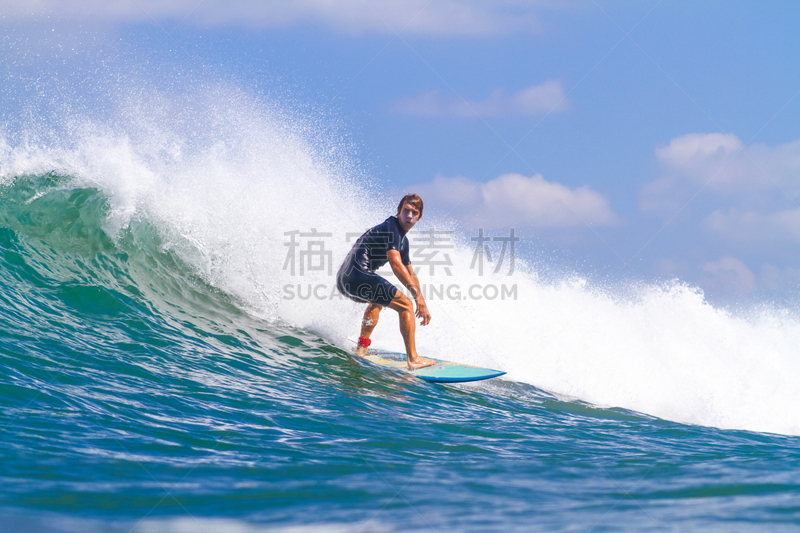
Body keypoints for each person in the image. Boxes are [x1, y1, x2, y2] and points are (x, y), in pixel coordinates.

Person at [336, 193, 435, 370]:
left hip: (344, 280)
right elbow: (396, 265)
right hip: (357, 276)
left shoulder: (403, 242)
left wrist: (423, 301)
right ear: (398, 211)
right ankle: (413, 358)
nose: (409, 216)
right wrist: (416, 298)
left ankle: (361, 348)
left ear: (419, 217)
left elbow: (411, 274)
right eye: (406, 211)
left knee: (378, 299)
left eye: (414, 213)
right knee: (405, 304)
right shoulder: (391, 228)